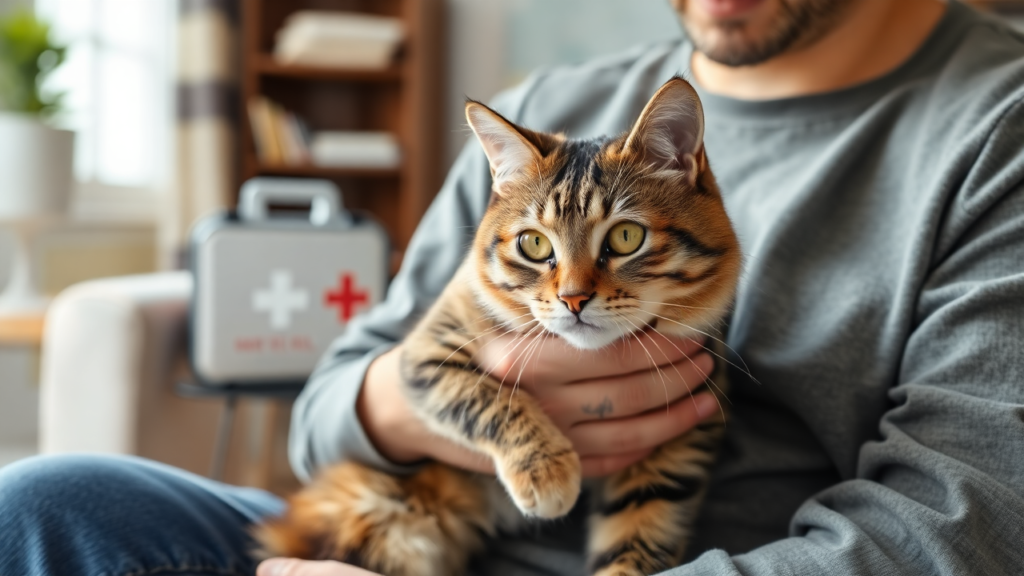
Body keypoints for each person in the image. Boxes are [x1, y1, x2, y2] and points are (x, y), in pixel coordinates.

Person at [1, 0, 1022, 575]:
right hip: (403, 541)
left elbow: (954, 536)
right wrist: (411, 402)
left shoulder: (993, 129)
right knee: (47, 504)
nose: (575, 287)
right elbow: (329, 410)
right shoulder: (544, 116)